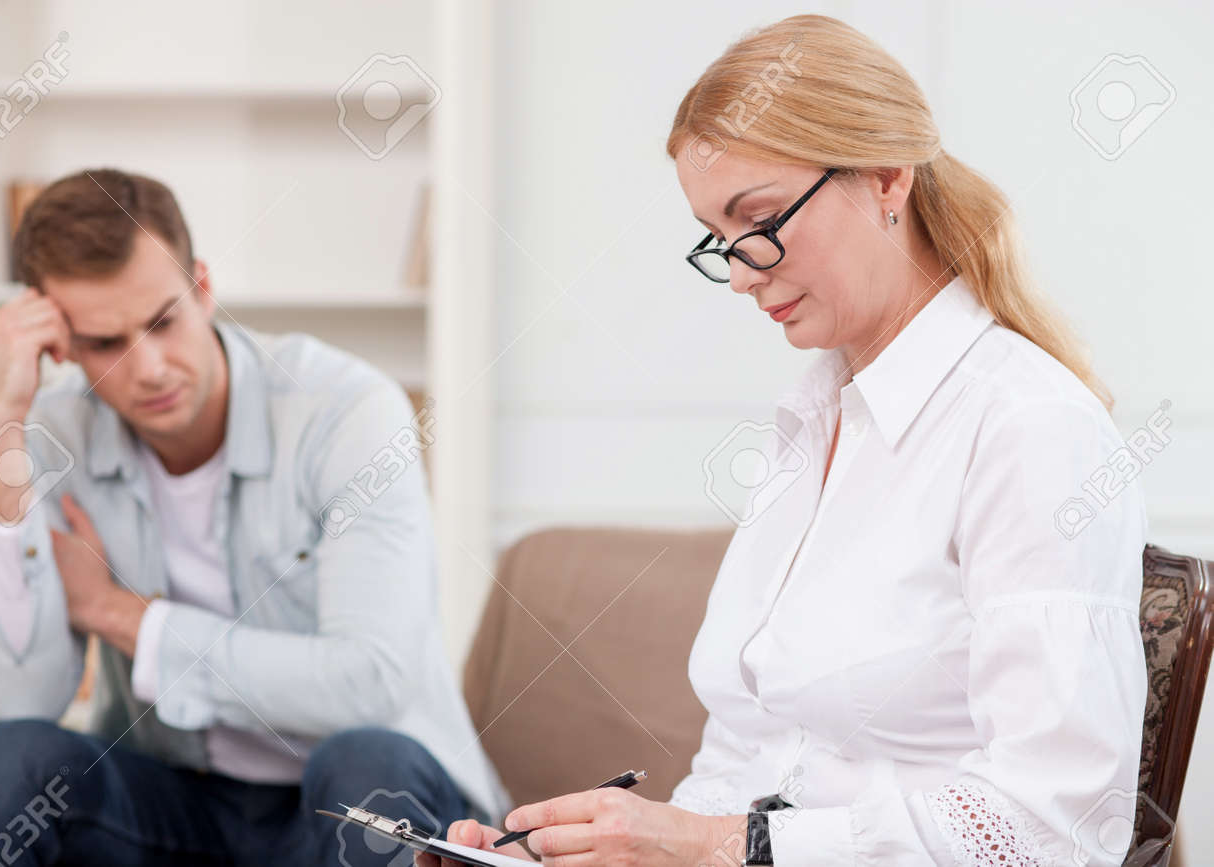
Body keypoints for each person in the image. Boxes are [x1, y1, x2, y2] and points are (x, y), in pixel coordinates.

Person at [420, 14, 1147, 867]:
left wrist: (718, 845)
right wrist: (597, 850)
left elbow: (1054, 828)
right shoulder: (813, 419)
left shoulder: (1030, 428)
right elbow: (744, 764)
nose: (739, 274)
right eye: (720, 240)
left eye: (760, 220)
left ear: (887, 177)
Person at [0, 169, 508, 866]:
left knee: (367, 763)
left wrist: (118, 613)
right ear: (63, 346)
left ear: (202, 288)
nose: (148, 369)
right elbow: (23, 701)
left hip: (343, 801)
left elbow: (371, 684)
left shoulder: (345, 410)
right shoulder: (52, 437)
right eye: (105, 343)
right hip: (176, 803)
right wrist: (0, 424)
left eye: (162, 322)